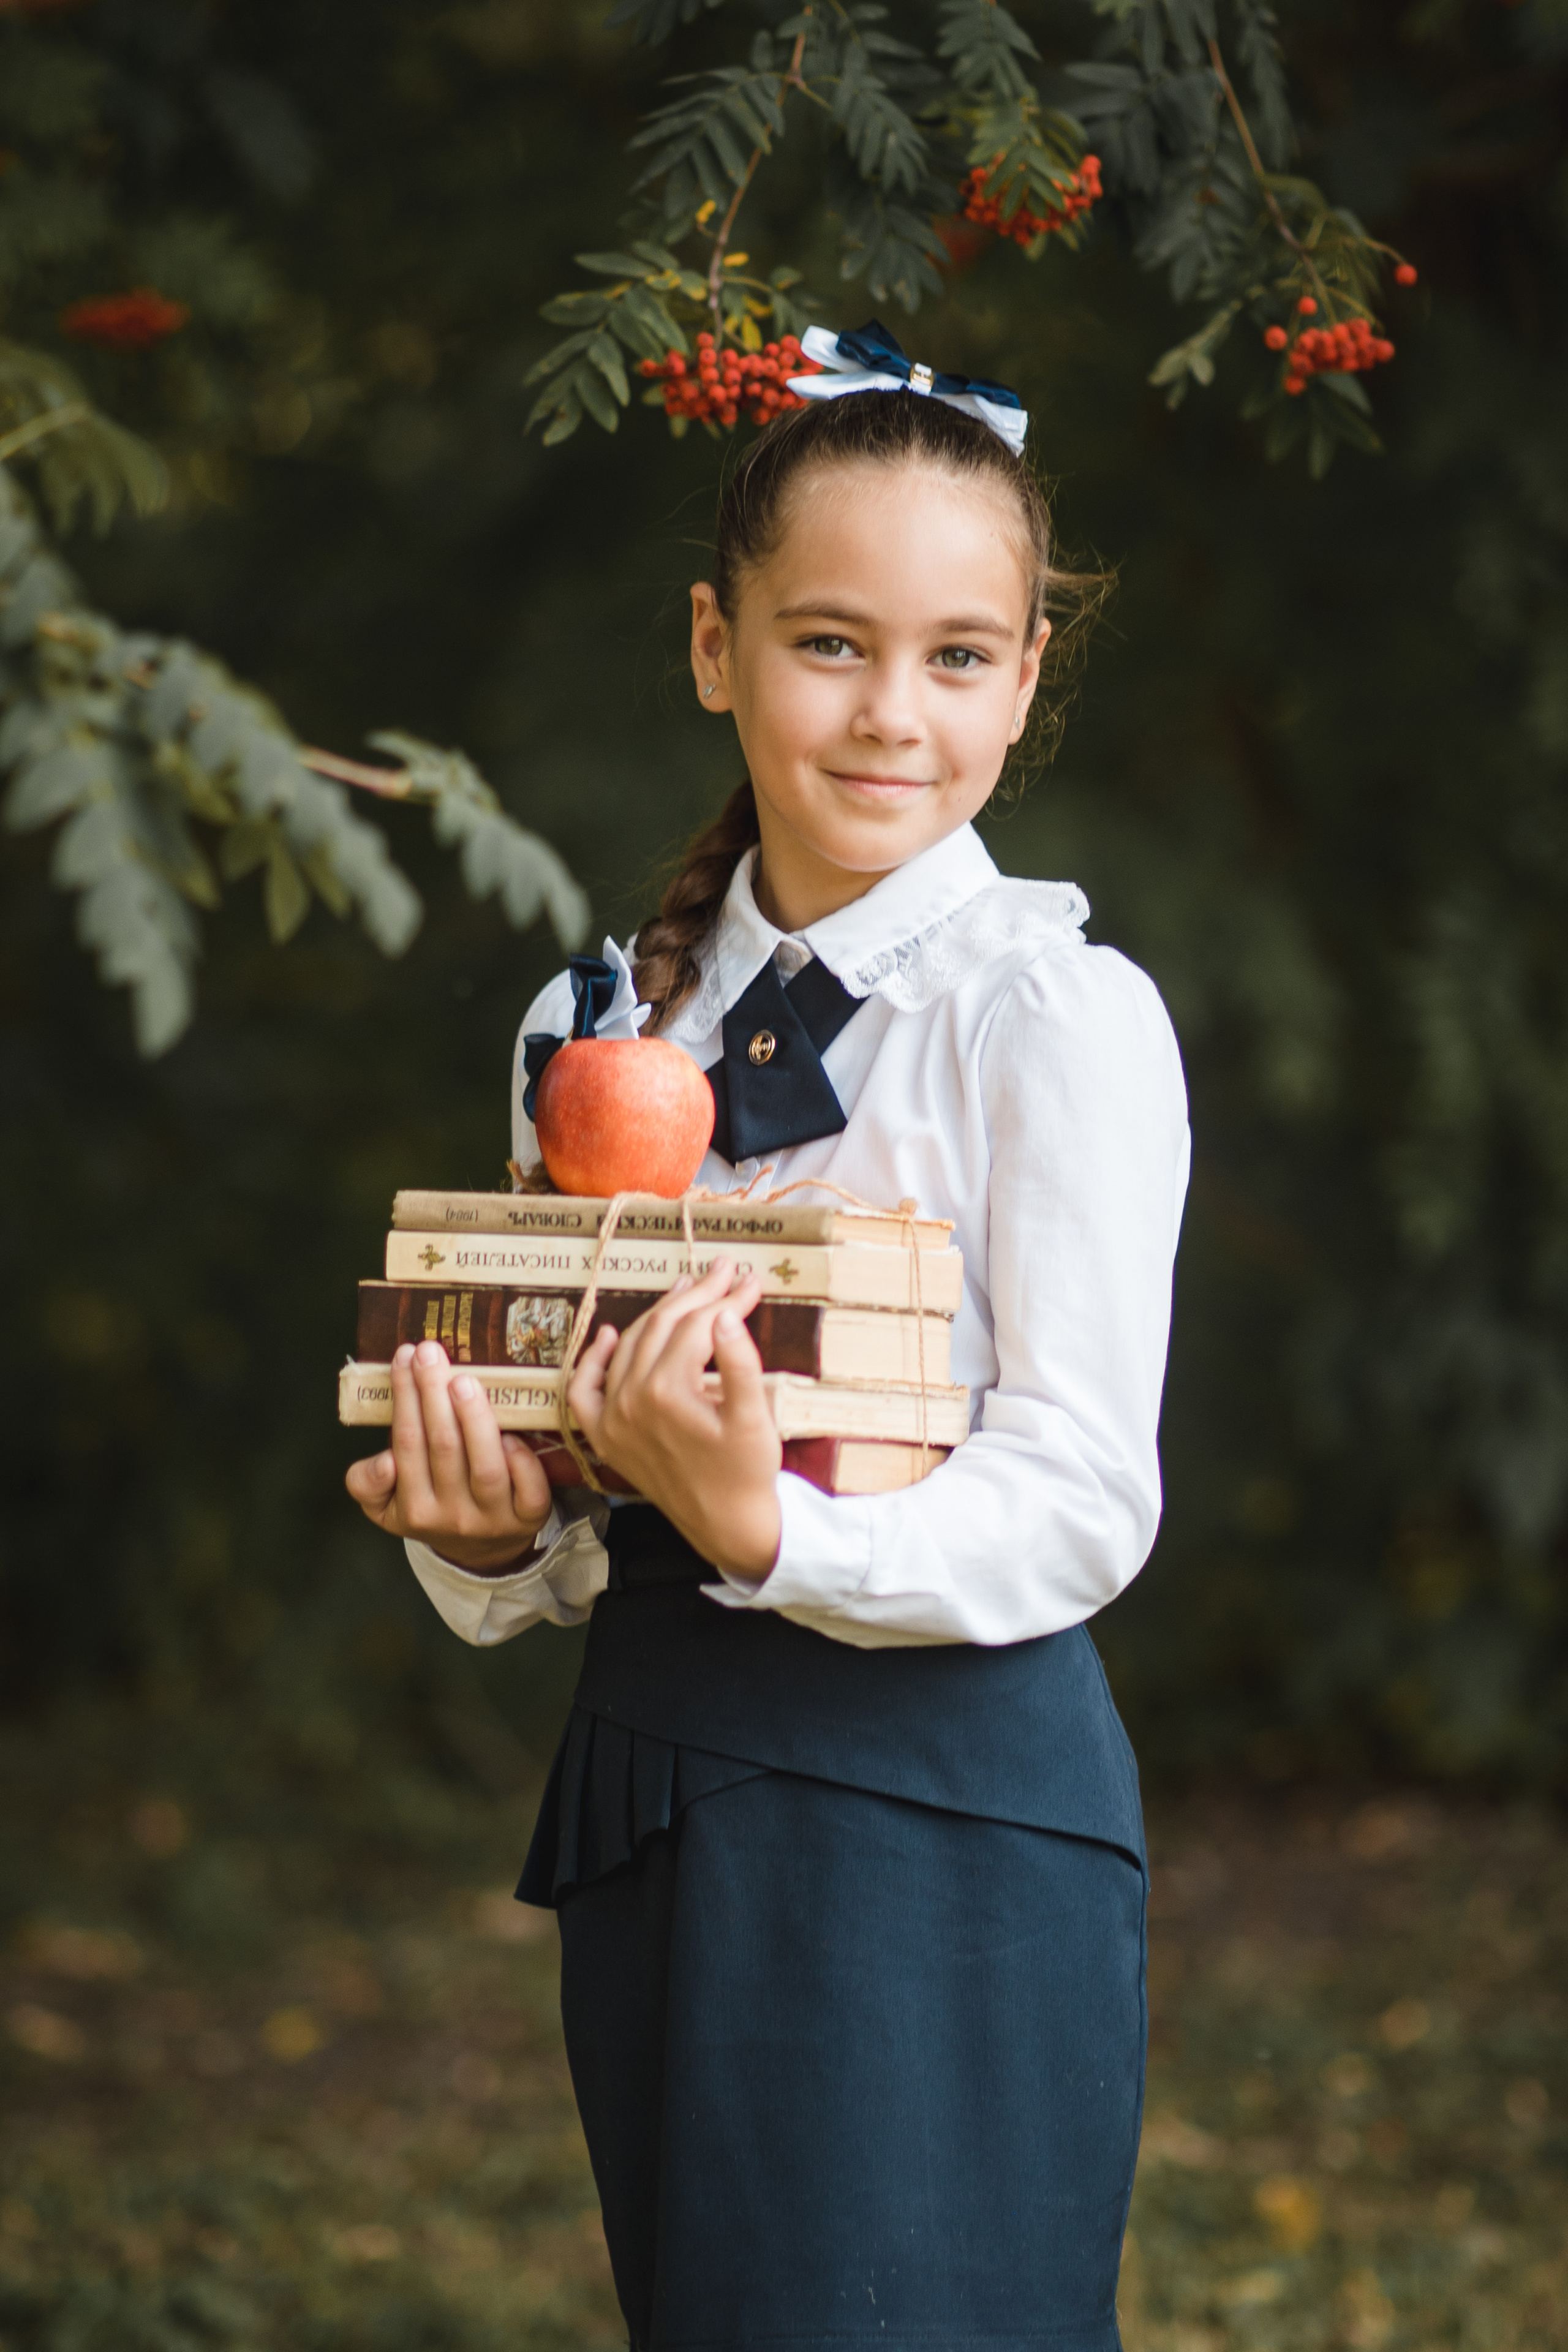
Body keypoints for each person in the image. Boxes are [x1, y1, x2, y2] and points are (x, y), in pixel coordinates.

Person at [346, 323, 1189, 2352]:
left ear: (1027, 680)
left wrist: (773, 1532)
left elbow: (1083, 1493)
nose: (894, 712)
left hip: (944, 1810)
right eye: (829, 644)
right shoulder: (588, 1031)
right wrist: (487, 1528)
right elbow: (557, 1503)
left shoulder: (1046, 1016)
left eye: (959, 656)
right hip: (660, 1790)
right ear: (716, 647)